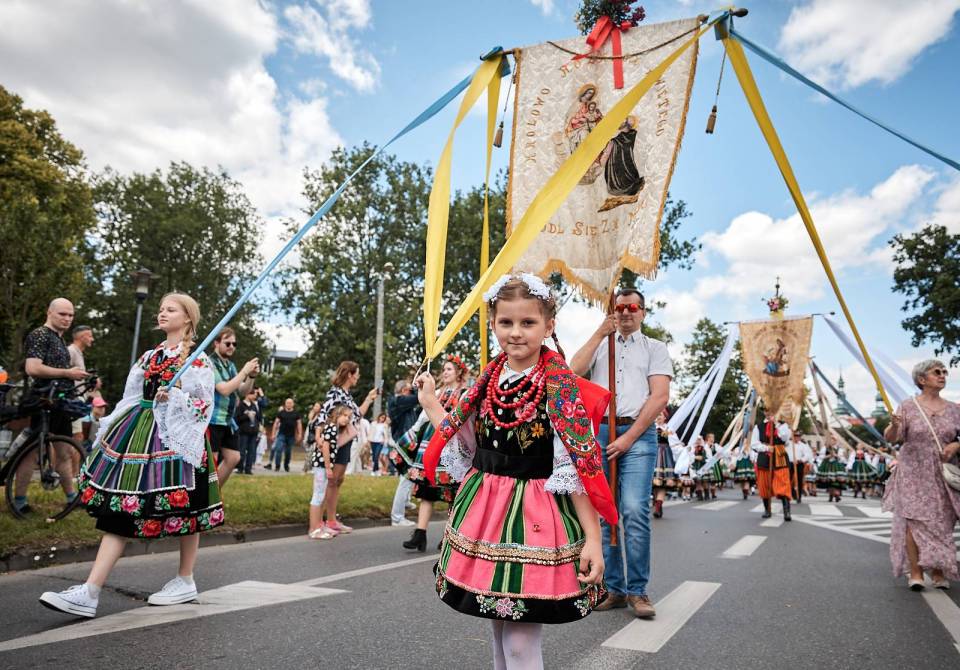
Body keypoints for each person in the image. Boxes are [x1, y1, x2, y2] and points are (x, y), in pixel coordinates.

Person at [417, 274, 615, 669]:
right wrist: (430, 403)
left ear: (549, 326)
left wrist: (593, 539)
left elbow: (577, 467)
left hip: (536, 517)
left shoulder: (560, 389)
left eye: (528, 322)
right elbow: (466, 444)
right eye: (506, 322)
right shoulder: (486, 383)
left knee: (521, 640)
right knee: (497, 627)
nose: (516, 332)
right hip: (486, 512)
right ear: (493, 324)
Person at [39, 293, 221, 618]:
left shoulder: (197, 359)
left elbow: (203, 405)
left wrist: (176, 396)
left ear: (187, 318)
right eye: (161, 309)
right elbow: (132, 395)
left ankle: (184, 579)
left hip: (177, 437)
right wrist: (112, 425)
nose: (162, 313)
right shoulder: (151, 356)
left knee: (189, 510)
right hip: (139, 434)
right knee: (122, 508)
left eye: (170, 309)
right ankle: (90, 590)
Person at [569, 286, 671, 619]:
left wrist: (628, 439)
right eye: (620, 307)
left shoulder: (655, 348)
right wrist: (600, 332)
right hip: (600, 432)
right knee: (604, 512)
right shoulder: (602, 343)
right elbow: (573, 371)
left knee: (633, 510)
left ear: (643, 312)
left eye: (632, 308)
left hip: (637, 435)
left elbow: (659, 396)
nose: (625, 312)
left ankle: (638, 590)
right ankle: (613, 588)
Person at [883, 359, 960, 590]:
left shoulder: (954, 409)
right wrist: (894, 425)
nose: (942, 375)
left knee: (943, 520)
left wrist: (955, 446)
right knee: (914, 520)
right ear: (921, 379)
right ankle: (916, 573)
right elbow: (892, 437)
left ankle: (938, 570)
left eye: (944, 372)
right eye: (937, 372)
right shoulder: (908, 406)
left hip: (943, 473)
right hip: (913, 472)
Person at [14, 298, 90, 513]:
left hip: (60, 402)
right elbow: (32, 368)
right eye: (62, 314)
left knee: (64, 452)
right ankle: (19, 501)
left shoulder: (58, 338)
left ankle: (72, 498)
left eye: (70, 315)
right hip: (43, 400)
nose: (67, 319)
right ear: (49, 313)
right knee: (31, 453)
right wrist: (68, 372)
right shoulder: (40, 334)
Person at [398, 356, 469, 551]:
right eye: (444, 369)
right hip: (431, 441)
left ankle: (449, 535)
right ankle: (420, 534)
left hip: (450, 442)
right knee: (427, 488)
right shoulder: (436, 392)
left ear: (459, 373)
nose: (445, 372)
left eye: (449, 369)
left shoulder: (464, 393)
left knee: (453, 490)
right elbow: (423, 416)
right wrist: (412, 433)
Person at [317, 361, 378, 534]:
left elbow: (357, 415)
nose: (358, 377)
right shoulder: (335, 392)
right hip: (336, 440)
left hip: (346, 440)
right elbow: (323, 414)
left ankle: (331, 520)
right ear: (350, 375)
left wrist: (369, 398)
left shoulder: (346, 394)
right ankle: (323, 522)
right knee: (332, 480)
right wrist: (318, 436)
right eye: (356, 373)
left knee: (338, 480)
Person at [209, 327, 259, 486]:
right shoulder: (209, 363)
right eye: (228, 343)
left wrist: (251, 376)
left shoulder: (230, 365)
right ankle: (207, 496)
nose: (232, 347)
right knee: (211, 463)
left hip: (228, 421)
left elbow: (243, 390)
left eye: (234, 344)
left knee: (233, 458)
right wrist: (244, 372)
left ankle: (215, 492)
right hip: (213, 420)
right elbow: (224, 389)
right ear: (216, 343)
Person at [308, 405, 355, 540]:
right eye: (344, 415)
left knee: (321, 495)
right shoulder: (332, 428)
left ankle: (319, 526)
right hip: (322, 465)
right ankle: (314, 529)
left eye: (349, 417)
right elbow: (325, 447)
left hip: (323, 465)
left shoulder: (333, 428)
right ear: (337, 414)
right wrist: (328, 467)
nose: (347, 419)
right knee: (318, 496)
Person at [388, 380, 419, 527]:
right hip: (403, 442)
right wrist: (416, 388)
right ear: (402, 391)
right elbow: (418, 397)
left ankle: (405, 501)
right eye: (409, 390)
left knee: (407, 476)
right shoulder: (398, 401)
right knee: (406, 478)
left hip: (406, 441)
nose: (411, 392)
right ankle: (397, 517)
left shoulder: (401, 403)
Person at [754, 412, 793, 521]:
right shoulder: (759, 427)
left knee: (783, 483)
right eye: (767, 410)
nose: (769, 413)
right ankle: (767, 509)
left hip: (779, 455)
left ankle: (786, 511)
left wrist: (776, 423)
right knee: (764, 484)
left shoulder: (783, 425)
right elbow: (754, 444)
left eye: (772, 411)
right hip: (764, 455)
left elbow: (785, 438)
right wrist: (766, 448)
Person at [68, 325, 99, 448]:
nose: (92, 339)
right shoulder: (71, 351)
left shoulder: (78, 352)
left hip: (77, 399)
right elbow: (64, 372)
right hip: (72, 398)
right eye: (90, 336)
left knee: (75, 436)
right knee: (77, 436)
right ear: (81, 337)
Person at [651, 410, 677, 519]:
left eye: (660, 415)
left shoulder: (668, 429)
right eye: (657, 414)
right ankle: (657, 503)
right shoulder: (651, 427)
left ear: (665, 418)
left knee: (662, 484)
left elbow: (675, 444)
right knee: (655, 484)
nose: (658, 416)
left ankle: (658, 506)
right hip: (652, 454)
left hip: (665, 457)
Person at [269, 398, 302, 472]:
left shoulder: (296, 413)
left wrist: (300, 434)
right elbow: (276, 423)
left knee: (288, 452)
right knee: (279, 449)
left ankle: (286, 465)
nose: (289, 404)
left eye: (290, 403)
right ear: (285, 404)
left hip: (291, 436)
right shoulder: (281, 413)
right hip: (281, 434)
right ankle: (277, 466)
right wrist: (273, 434)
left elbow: (299, 424)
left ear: (293, 404)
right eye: (287, 403)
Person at [234, 389, 262, 474]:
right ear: (247, 394)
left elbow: (259, 418)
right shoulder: (241, 405)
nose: (254, 397)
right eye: (253, 394)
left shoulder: (254, 405)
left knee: (251, 451)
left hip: (253, 432)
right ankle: (240, 468)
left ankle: (248, 469)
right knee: (242, 451)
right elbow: (237, 418)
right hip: (243, 432)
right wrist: (247, 415)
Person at [788, 430, 814, 503]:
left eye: (798, 436)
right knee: (788, 479)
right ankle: (791, 493)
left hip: (799, 463)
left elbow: (807, 455)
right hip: (790, 463)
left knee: (799, 480)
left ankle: (799, 496)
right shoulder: (789, 444)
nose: (797, 437)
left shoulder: (803, 445)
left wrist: (801, 460)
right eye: (795, 436)